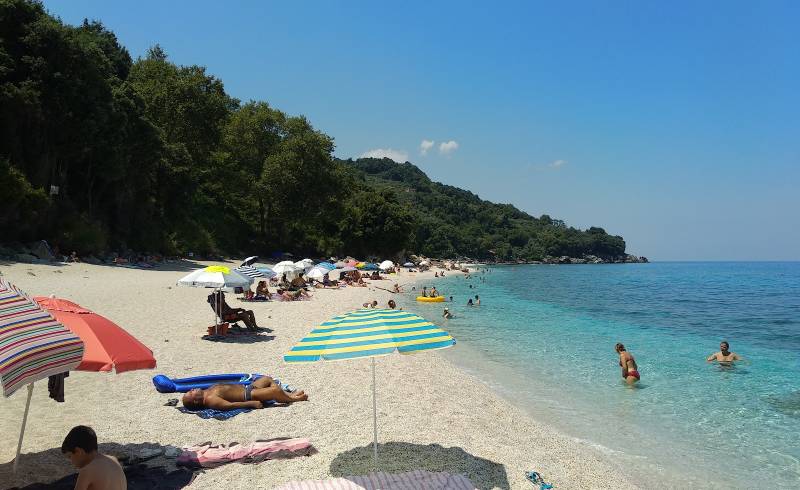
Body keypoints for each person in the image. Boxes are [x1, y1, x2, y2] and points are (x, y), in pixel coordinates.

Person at [182, 375, 308, 410]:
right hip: (249, 395)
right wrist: (251, 403)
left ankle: (285, 396)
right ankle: (292, 399)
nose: (191, 389)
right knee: (275, 390)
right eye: (190, 393)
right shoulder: (210, 400)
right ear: (195, 400)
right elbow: (229, 406)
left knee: (267, 378)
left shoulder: (207, 391)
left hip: (249, 388)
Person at [62, 425, 126, 490]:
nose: (71, 462)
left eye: (70, 456)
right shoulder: (114, 459)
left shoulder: (87, 470)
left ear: (78, 451)